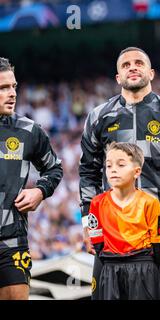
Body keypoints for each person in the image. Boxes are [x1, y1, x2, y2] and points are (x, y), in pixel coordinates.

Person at [79, 47, 160, 300]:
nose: (132, 67)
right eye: (125, 65)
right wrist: (88, 225)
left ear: (151, 73)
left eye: (138, 63)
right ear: (117, 77)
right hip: (112, 228)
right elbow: (88, 172)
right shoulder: (99, 116)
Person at [0, 57, 63, 300]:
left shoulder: (28, 130)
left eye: (13, 86)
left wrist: (40, 191)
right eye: (3, 88)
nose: (11, 93)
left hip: (12, 240)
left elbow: (54, 169)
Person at [87, 142, 160, 300]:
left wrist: (144, 265)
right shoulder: (97, 203)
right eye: (109, 166)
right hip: (110, 270)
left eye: (121, 164)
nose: (113, 169)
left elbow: (159, 244)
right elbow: (97, 243)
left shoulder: (150, 203)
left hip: (144, 268)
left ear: (137, 171)